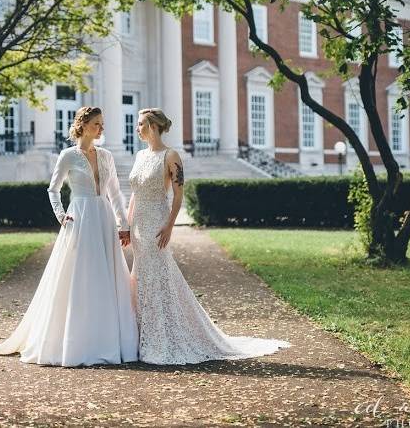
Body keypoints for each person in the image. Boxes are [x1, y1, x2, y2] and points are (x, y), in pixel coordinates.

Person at [124, 108, 291, 364]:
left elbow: (178, 196)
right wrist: (126, 223)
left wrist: (169, 226)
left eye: (140, 124)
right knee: (141, 278)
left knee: (157, 277)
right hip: (137, 225)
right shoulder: (138, 155)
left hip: (156, 224)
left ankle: (163, 336)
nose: (137, 129)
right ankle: (142, 335)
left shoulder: (171, 156)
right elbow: (134, 194)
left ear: (153, 126)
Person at [0, 106, 138, 366]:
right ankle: (78, 341)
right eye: (97, 123)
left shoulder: (107, 155)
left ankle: (110, 339)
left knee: (107, 275)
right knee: (81, 277)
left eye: (102, 123)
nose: (101, 128)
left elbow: (116, 194)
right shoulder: (68, 156)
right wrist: (61, 215)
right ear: (83, 125)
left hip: (104, 217)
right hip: (81, 218)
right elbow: (53, 189)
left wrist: (123, 224)